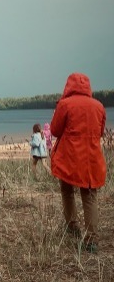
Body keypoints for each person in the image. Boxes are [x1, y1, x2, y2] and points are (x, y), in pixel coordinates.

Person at [49, 72, 106, 254]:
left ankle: (72, 226)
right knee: (89, 197)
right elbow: (100, 132)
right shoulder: (99, 106)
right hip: (92, 159)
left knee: (67, 191)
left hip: (70, 158)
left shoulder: (65, 104)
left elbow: (55, 130)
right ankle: (91, 240)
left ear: (69, 86)